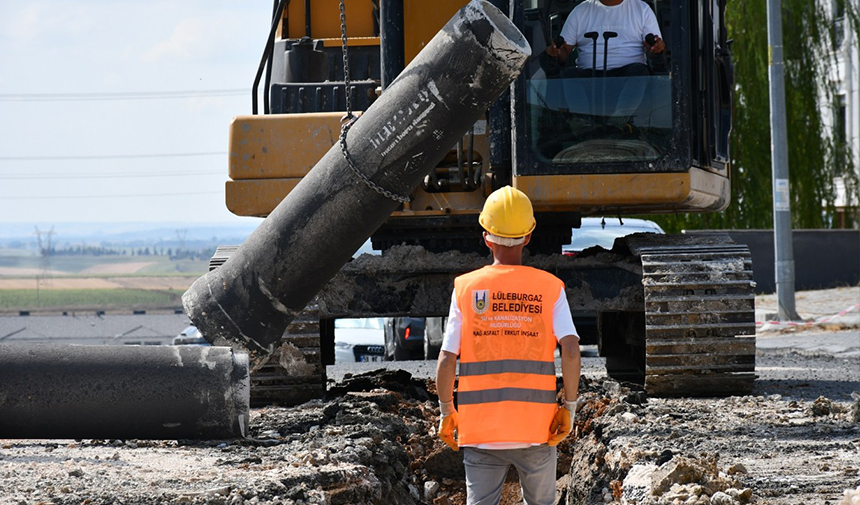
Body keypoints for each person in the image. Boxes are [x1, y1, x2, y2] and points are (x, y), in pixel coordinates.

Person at [435, 186, 581, 505]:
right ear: (529, 236)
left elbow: (447, 358)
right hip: (536, 429)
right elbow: (570, 349)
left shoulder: (466, 289)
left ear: (486, 235)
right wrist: (568, 408)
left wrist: (447, 411)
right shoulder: (549, 288)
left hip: (481, 431)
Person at [545, 0, 666, 129]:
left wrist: (656, 48)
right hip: (590, 79)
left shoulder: (642, 9)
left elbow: (654, 51)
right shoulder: (580, 11)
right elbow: (563, 54)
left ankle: (619, 119)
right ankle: (582, 123)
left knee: (640, 71)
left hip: (628, 77)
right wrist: (554, 51)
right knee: (570, 75)